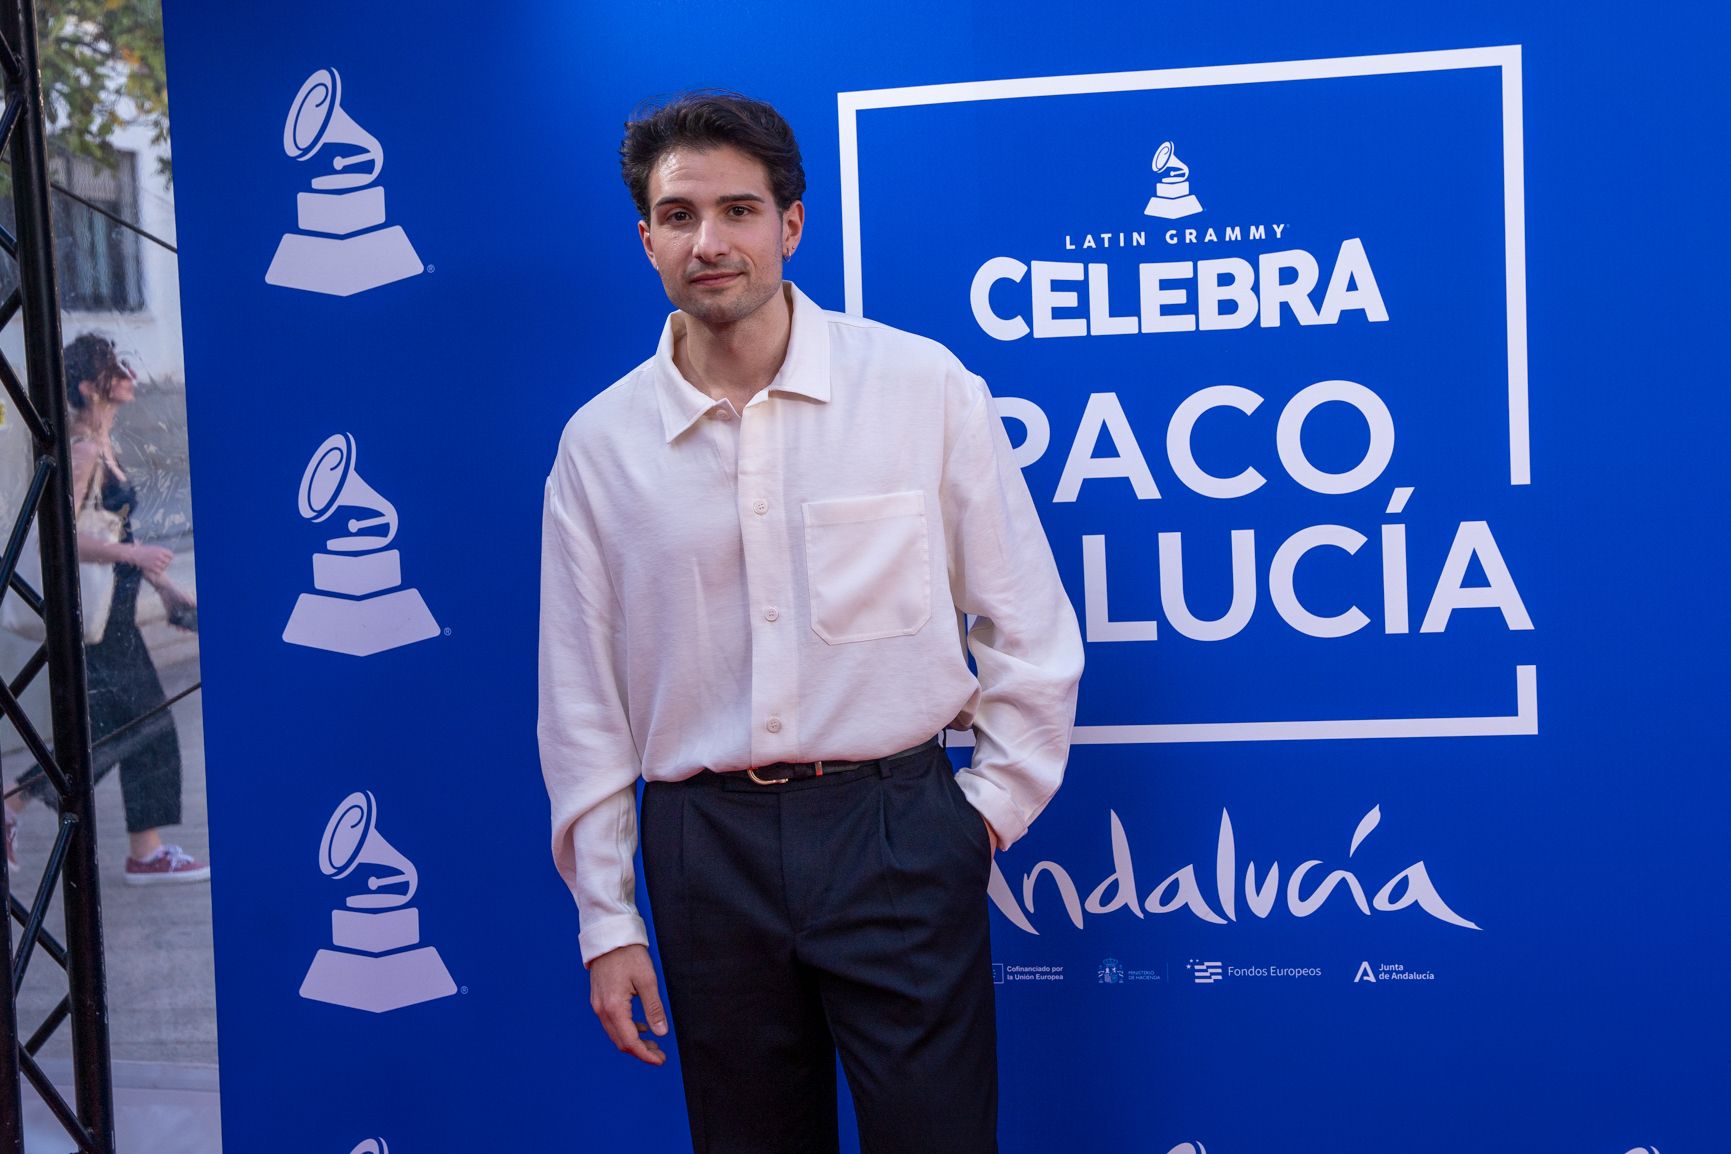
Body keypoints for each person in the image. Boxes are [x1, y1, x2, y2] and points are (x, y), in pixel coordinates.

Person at [538, 93, 1082, 1153]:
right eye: (680, 213)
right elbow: (581, 702)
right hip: (705, 847)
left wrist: (980, 817)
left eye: (740, 210)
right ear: (645, 235)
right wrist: (607, 916)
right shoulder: (599, 447)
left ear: (791, 224)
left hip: (897, 827)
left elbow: (1026, 621)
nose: (711, 242)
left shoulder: (921, 388)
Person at [3, 334, 206, 884]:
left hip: (112, 615)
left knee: (122, 730)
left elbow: (119, 528)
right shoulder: (84, 451)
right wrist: (131, 553)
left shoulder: (103, 443)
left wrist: (160, 586)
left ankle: (141, 849)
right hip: (94, 624)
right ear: (92, 386)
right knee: (144, 726)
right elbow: (58, 539)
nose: (132, 375)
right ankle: (136, 849)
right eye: (118, 368)